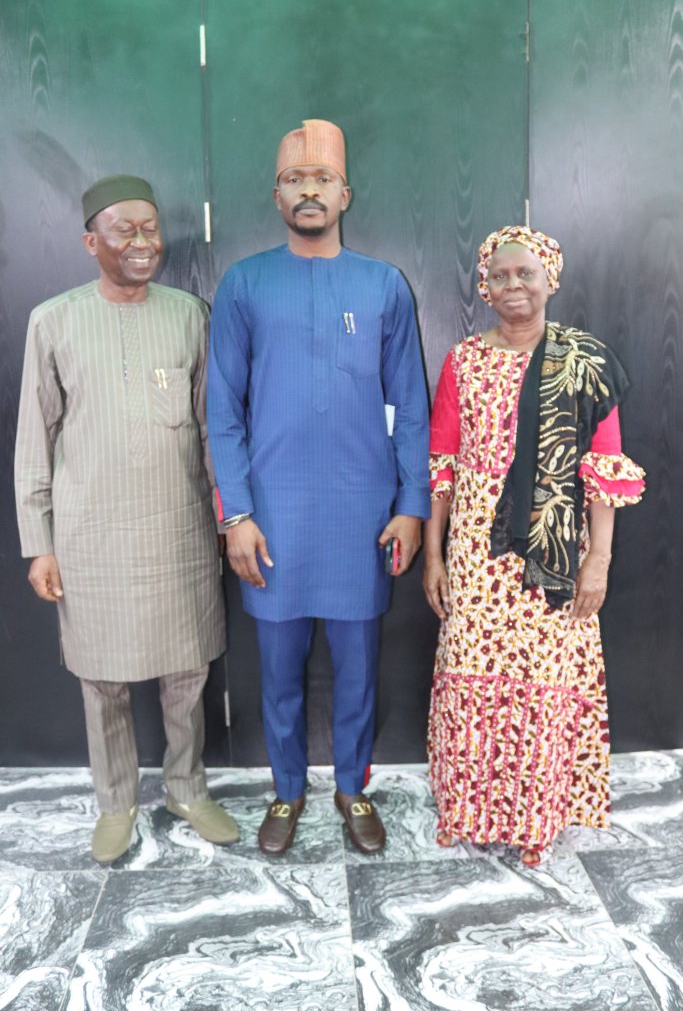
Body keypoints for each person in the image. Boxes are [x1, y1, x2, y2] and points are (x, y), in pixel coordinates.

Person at [208, 120, 430, 855]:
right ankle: (286, 789)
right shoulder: (244, 284)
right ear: (277, 197)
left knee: (358, 668)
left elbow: (410, 408)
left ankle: (352, 787)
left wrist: (410, 507)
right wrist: (236, 513)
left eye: (322, 180)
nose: (309, 191)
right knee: (277, 668)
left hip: (363, 515)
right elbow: (222, 412)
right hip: (271, 516)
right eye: (294, 181)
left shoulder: (383, 286)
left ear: (344, 195)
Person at [14, 174, 238, 863]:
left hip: (180, 527)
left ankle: (187, 789)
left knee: (187, 672)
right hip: (91, 533)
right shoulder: (53, 321)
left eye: (150, 228)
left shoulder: (189, 314)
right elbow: (34, 436)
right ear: (92, 242)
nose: (143, 242)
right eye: (124, 230)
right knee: (102, 679)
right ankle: (115, 802)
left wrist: (230, 517)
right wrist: (39, 542)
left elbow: (214, 428)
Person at [423, 225, 645, 865]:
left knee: (542, 680)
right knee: (470, 672)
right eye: (499, 276)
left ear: (551, 279)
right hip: (476, 548)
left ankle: (535, 817)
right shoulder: (463, 361)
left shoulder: (584, 362)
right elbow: (442, 464)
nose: (513, 285)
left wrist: (598, 561)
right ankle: (466, 807)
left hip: (555, 551)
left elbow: (605, 468)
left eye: (526, 273)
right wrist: (434, 554)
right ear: (484, 288)